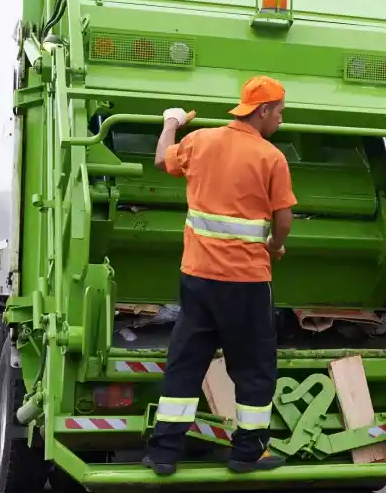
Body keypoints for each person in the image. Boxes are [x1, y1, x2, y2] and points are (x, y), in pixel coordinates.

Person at [142, 75, 297, 476]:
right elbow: (284, 220)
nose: (281, 119)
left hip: (198, 278)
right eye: (279, 111)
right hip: (246, 282)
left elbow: (162, 160)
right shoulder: (271, 157)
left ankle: (163, 453)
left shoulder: (200, 141)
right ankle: (248, 452)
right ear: (262, 111)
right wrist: (276, 247)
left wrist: (172, 123)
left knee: (186, 362)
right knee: (254, 367)